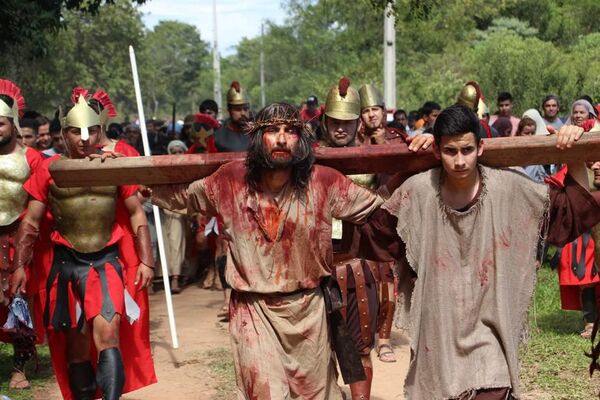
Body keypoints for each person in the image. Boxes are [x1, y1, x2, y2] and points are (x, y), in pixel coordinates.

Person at [348, 104, 600, 399]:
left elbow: (569, 210)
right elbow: (376, 230)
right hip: (438, 335)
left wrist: (575, 155)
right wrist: (407, 167)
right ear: (436, 152)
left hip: (489, 337)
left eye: (466, 150)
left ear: (480, 147)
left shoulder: (508, 188)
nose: (458, 161)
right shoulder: (419, 191)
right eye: (449, 151)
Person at [149, 102, 392, 399]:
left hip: (308, 312)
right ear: (257, 137)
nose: (280, 139)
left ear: (300, 138)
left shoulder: (324, 181)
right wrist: (127, 175)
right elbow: (180, 196)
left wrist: (421, 156)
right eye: (272, 130)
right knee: (264, 393)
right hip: (253, 311)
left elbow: (385, 211)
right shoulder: (229, 180)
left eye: (290, 131)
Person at [11, 91, 156, 400]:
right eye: (76, 131)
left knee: (108, 336)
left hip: (106, 262)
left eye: (91, 131)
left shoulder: (114, 166)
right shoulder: (49, 170)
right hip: (66, 265)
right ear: (64, 134)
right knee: (77, 347)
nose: (84, 138)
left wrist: (146, 261)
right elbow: (32, 222)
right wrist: (20, 266)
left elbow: (135, 213)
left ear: (100, 131)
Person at [320, 79, 432, 398]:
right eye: (335, 121)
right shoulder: (310, 157)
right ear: (325, 121)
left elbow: (401, 178)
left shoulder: (375, 154)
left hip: (359, 262)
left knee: (359, 348)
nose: (341, 128)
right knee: (316, 351)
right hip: (316, 267)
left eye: (347, 121)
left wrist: (424, 143)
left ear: (357, 123)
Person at [0, 79, 43, 390]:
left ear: (12, 123)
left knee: (19, 299)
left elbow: (40, 199)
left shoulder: (32, 158)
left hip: (20, 234)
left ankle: (20, 367)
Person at [550, 160, 600, 338]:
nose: (596, 166)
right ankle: (591, 321)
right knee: (586, 278)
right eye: (592, 161)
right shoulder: (571, 174)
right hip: (584, 237)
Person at [214, 81, 251, 152]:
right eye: (238, 109)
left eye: (245, 109)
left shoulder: (257, 134)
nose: (243, 113)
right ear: (229, 110)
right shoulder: (218, 137)